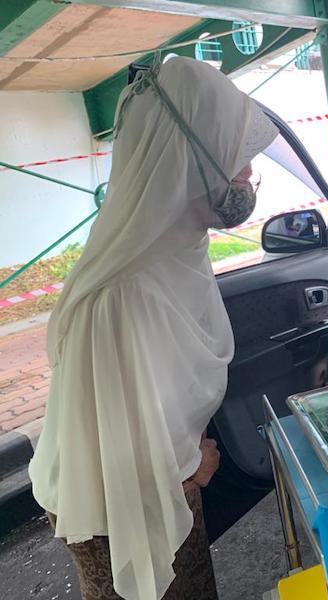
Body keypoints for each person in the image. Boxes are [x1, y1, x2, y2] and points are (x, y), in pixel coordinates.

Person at [28, 57, 279, 600]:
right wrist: (191, 472)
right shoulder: (124, 293)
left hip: (155, 489)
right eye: (239, 160)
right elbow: (118, 449)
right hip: (116, 514)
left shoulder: (175, 249)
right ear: (190, 160)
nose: (248, 178)